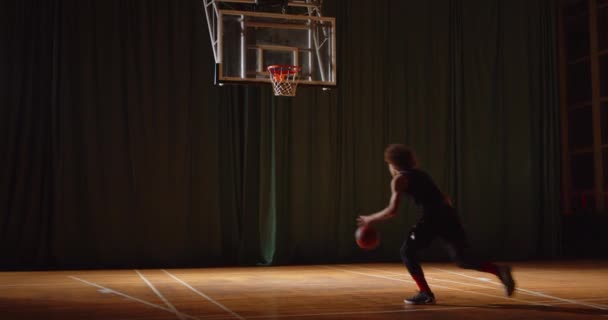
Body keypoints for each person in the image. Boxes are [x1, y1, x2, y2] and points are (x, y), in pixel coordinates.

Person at [356, 144, 515, 305]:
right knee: (462, 259)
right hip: (448, 215)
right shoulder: (421, 174)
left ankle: (425, 293)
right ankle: (499, 270)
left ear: (393, 163)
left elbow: (392, 210)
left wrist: (370, 219)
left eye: (389, 164)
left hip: (434, 217)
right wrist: (451, 220)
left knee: (407, 251)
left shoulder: (399, 179)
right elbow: (445, 198)